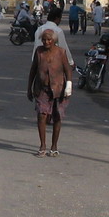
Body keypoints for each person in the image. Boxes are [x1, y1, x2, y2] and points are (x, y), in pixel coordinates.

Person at [27, 28, 72, 157]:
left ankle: (54, 146)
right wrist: (29, 88)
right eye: (44, 40)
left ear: (54, 41)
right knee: (41, 115)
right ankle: (42, 146)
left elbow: (68, 70)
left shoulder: (61, 52)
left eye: (49, 40)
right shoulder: (39, 52)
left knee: (57, 117)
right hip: (42, 89)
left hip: (59, 89)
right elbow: (33, 70)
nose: (46, 42)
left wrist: (69, 85)